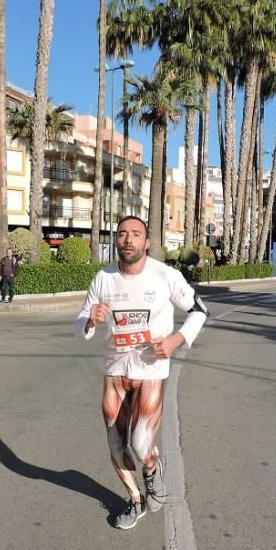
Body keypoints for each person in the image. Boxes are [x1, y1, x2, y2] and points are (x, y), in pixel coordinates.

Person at [74, 216, 209, 530]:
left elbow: (199, 310)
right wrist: (90, 320)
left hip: (150, 371)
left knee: (140, 444)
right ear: (117, 240)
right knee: (115, 444)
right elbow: (80, 326)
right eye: (122, 234)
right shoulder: (103, 279)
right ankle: (134, 500)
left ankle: (152, 469)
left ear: (147, 242)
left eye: (136, 234)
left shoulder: (165, 275)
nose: (128, 239)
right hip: (115, 370)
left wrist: (177, 340)